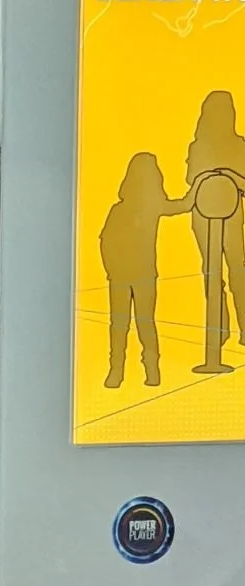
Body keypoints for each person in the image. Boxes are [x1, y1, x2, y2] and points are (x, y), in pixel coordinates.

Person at [98, 152, 190, 388]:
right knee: (143, 323)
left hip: (125, 275)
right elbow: (183, 205)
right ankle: (147, 371)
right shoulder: (148, 207)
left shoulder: (125, 208)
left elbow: (104, 241)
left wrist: (111, 268)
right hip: (136, 275)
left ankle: (119, 371)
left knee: (120, 324)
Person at [186, 90, 245, 345]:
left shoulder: (239, 145)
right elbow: (191, 180)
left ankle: (243, 327)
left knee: (237, 271)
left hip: (231, 215)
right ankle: (219, 330)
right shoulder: (198, 146)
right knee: (212, 273)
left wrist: (228, 176)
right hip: (203, 215)